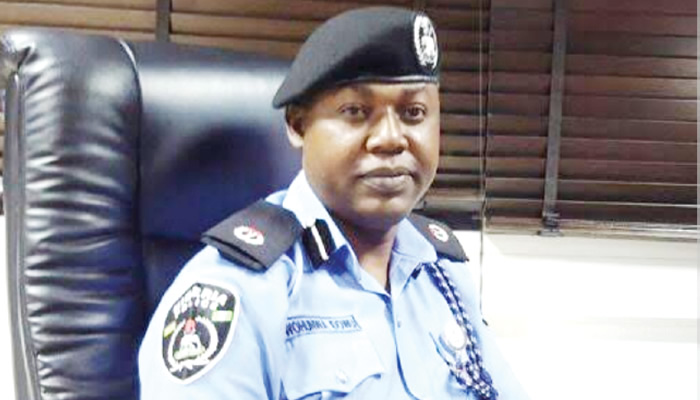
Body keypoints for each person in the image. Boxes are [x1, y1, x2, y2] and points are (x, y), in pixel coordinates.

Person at [139, 6, 528, 400]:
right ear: (298, 125)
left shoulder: (443, 272)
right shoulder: (236, 290)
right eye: (356, 112)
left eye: (414, 113)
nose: (391, 139)